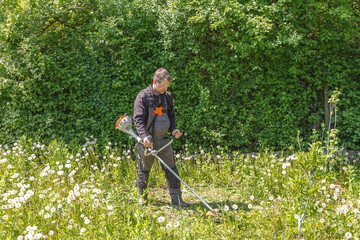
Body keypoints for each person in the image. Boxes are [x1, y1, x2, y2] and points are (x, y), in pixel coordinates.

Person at [133, 68, 190, 207]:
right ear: (155, 82)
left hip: (164, 141)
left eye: (167, 86)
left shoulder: (167, 97)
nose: (165, 88)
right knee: (144, 170)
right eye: (163, 85)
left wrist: (174, 129)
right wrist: (144, 137)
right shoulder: (143, 97)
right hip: (148, 142)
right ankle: (143, 198)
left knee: (171, 169)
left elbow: (171, 115)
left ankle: (177, 199)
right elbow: (138, 119)